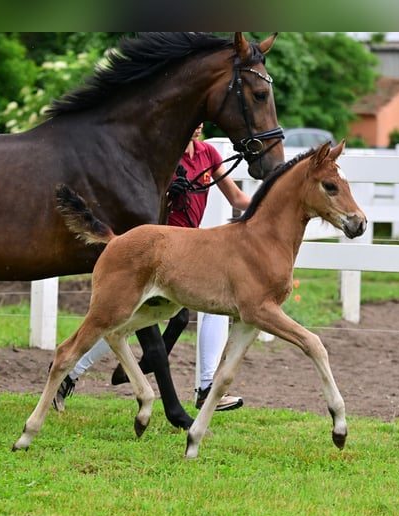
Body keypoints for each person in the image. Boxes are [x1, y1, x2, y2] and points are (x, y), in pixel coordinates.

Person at [53, 123, 252, 413]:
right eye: (192, 121)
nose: (196, 128)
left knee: (211, 307)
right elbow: (146, 197)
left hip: (192, 248)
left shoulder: (208, 153)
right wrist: (170, 193)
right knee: (120, 318)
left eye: (200, 123)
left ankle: (207, 386)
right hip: (162, 248)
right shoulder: (166, 156)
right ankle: (72, 372)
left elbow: (237, 198)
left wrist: (270, 203)